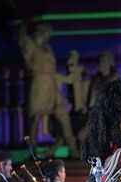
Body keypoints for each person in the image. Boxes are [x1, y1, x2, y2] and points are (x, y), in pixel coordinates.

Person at [18, 23, 79, 158]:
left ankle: (74, 149)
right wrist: (23, 24)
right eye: (46, 33)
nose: (48, 36)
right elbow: (22, 40)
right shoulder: (32, 46)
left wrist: (66, 78)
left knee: (63, 116)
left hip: (52, 86)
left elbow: (52, 71)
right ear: (41, 32)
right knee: (35, 118)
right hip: (39, 85)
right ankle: (32, 151)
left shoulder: (48, 49)